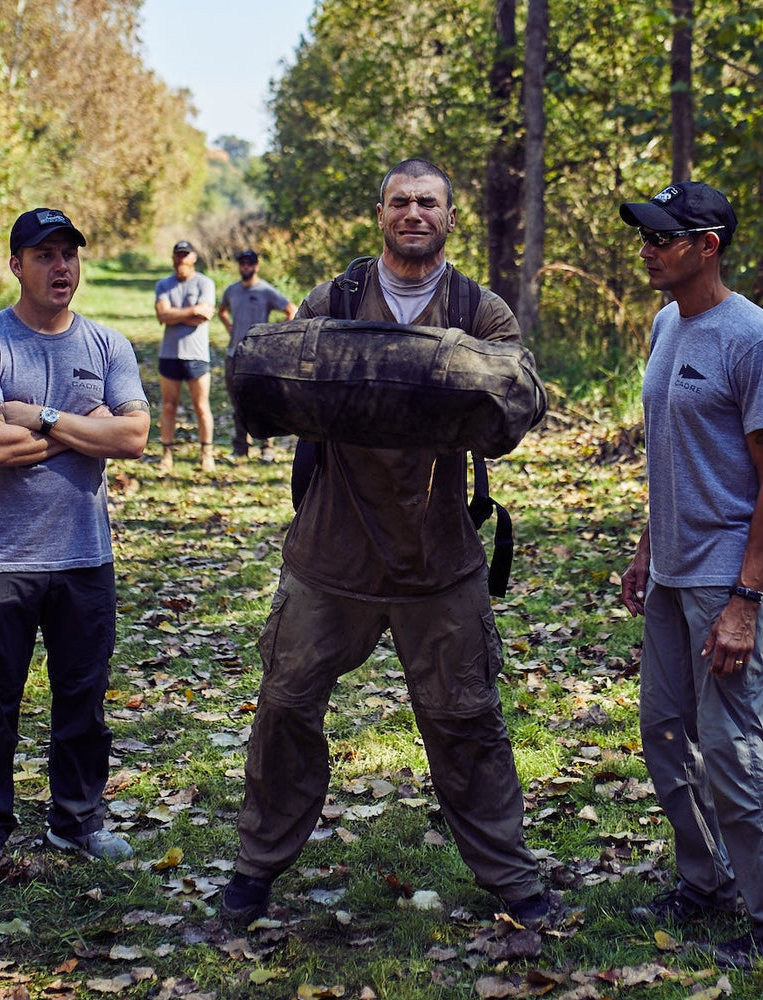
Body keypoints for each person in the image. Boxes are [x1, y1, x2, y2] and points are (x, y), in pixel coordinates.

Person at [220, 158, 551, 928]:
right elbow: (278, 378)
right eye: (400, 201)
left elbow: (519, 400)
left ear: (449, 218)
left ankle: (513, 879)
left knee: (466, 718)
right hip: (333, 551)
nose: (413, 213)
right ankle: (255, 868)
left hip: (437, 555)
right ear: (380, 213)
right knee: (285, 707)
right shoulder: (333, 299)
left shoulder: (477, 307)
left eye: (428, 202)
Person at [616, 181, 763, 969]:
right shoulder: (667, 323)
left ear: (707, 245)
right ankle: (705, 882)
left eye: (663, 237)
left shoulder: (752, 338)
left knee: (734, 746)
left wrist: (744, 600)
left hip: (727, 578)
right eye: (646, 235)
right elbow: (673, 454)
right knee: (667, 736)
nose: (648, 248)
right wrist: (646, 549)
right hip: (673, 573)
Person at [0, 207, 150, 887]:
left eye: (68, 254)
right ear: (16, 265)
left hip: (84, 557)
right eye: (43, 255)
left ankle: (77, 819)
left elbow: (132, 439)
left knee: (83, 700)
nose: (60, 267)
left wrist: (35, 413)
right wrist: (81, 425)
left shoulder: (108, 345)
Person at [217, 248, 296, 461]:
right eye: (242, 263)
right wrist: (230, 327)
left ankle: (267, 448)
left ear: (256, 266)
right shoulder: (232, 290)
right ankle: (240, 446)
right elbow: (221, 310)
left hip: (258, 357)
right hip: (234, 354)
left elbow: (292, 310)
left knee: (263, 403)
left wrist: (274, 335)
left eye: (249, 263)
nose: (246, 267)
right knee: (238, 403)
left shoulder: (266, 291)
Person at [153, 241, 217, 473]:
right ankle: (167, 454)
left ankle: (206, 453)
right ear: (173, 258)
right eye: (178, 255)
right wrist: (192, 312)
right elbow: (162, 314)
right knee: (169, 406)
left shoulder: (205, 283)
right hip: (169, 354)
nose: (181, 260)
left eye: (185, 255)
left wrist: (174, 315)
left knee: (201, 406)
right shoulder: (164, 284)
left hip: (197, 355)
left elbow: (205, 314)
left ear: (194, 257)